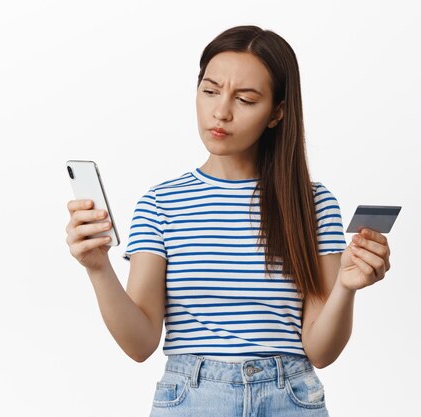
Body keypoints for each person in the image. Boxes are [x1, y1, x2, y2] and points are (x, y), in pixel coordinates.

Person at [65, 25, 391, 417]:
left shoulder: (313, 203)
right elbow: (140, 344)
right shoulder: (160, 203)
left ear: (278, 112)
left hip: (290, 398)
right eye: (210, 91)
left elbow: (321, 352)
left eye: (246, 99)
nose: (221, 111)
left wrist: (346, 286)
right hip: (192, 398)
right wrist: (97, 267)